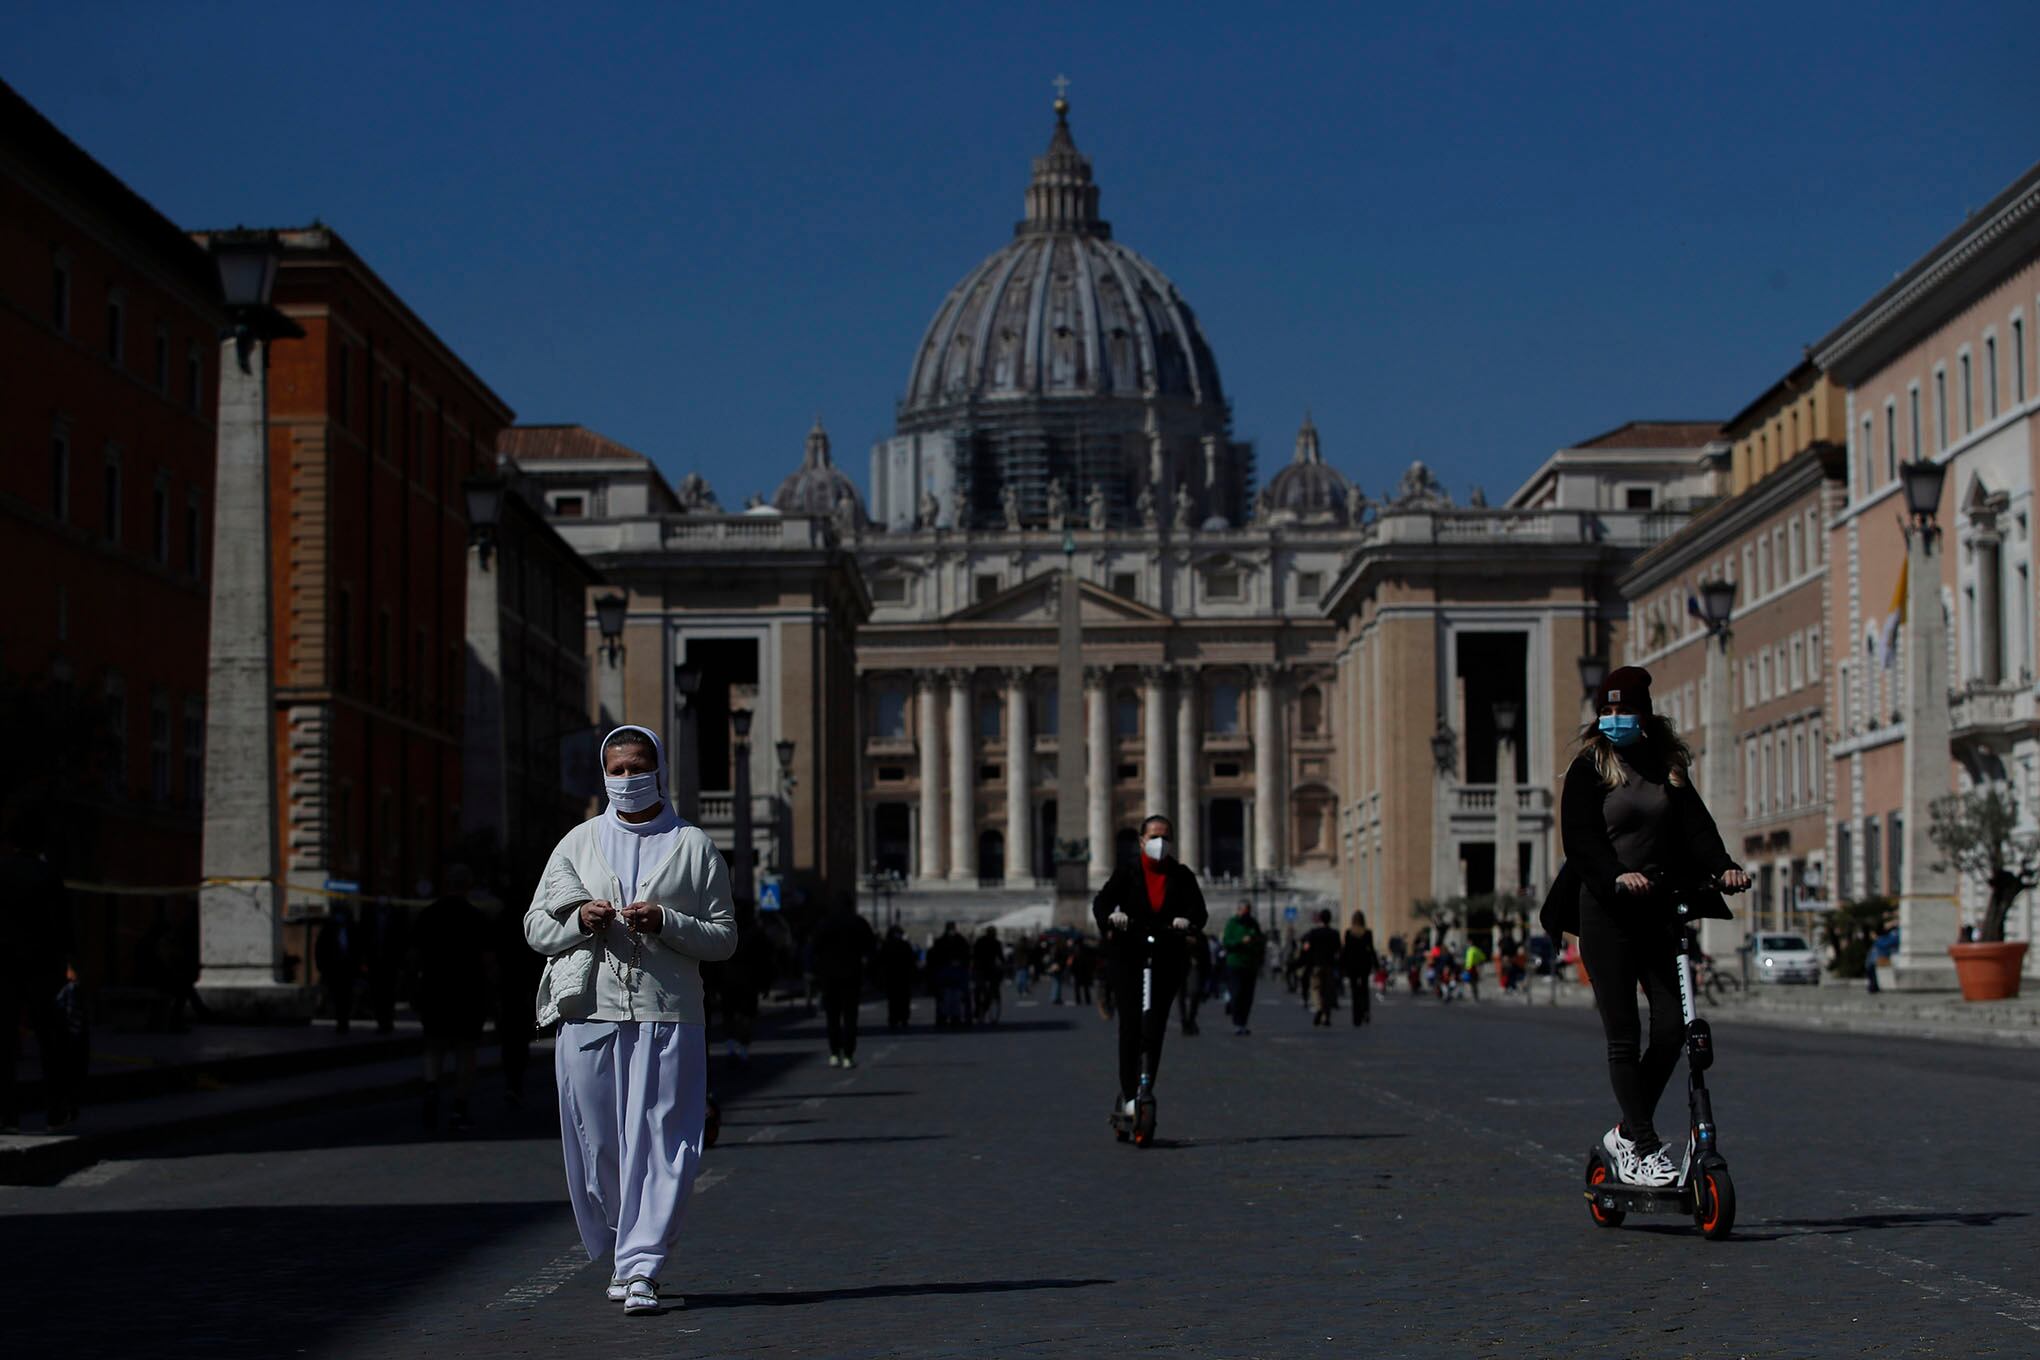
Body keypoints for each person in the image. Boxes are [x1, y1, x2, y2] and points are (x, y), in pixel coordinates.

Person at [525, 723, 736, 1316]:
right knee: (599, 1144)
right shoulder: (577, 842)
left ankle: (641, 1265)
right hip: (590, 1013)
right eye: (616, 769)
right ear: (604, 774)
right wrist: (581, 920)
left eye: (637, 766)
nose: (627, 778)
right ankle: (623, 1241)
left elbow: (724, 938)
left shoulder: (693, 845)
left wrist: (666, 922)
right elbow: (536, 927)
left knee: (664, 1141)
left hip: (667, 1014)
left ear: (658, 769)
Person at [1542, 666, 1747, 1190]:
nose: (1613, 720)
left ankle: (1627, 1135)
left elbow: (1695, 826)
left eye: (1623, 711)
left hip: (1657, 908)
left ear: (1645, 714)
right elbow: (1581, 840)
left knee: (1675, 1029)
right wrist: (1616, 875)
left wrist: (1722, 866)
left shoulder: (1667, 767)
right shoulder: (1589, 767)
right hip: (1605, 911)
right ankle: (1644, 1147)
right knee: (1623, 1036)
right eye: (1605, 712)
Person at [1093, 815, 1208, 1121]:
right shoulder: (1127, 873)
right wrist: (1111, 918)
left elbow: (1199, 911)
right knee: (1130, 1024)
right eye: (1155, 837)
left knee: (1154, 1027)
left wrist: (1189, 922)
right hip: (1128, 955)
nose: (1161, 842)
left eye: (1166, 837)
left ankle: (1146, 1087)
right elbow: (1102, 903)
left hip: (1166, 956)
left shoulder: (1182, 875)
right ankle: (1129, 1093)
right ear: (1142, 841)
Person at [0, 815, 76, 1133]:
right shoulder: (48, 876)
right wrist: (68, 964)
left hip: (3, 966)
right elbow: (62, 925)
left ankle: (6, 1116)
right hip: (42, 968)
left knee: (4, 1043)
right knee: (50, 1040)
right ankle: (56, 1111)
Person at [414, 865, 491, 1133]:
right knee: (465, 1050)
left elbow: (414, 956)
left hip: (434, 989)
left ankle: (431, 1086)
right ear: (467, 886)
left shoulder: (427, 915)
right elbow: (486, 959)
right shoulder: (476, 917)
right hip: (467, 991)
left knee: (433, 1046)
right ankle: (459, 1106)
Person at [811, 893, 876, 1066]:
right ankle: (848, 1054)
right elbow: (871, 948)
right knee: (850, 1016)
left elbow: (814, 949)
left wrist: (816, 972)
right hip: (851, 975)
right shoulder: (858, 923)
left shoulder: (824, 924)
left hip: (829, 976)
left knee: (832, 1016)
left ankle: (834, 1052)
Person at [1219, 900, 1265, 1035]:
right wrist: (1240, 942)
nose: (1246, 915)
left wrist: (1256, 942)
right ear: (1238, 911)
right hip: (1235, 964)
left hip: (1250, 964)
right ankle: (1237, 1022)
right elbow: (1227, 942)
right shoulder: (1232, 923)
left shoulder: (1253, 924)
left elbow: (1260, 940)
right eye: (1244, 912)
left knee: (1248, 996)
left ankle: (1243, 1023)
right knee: (1237, 993)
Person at [1300, 910, 1342, 1026]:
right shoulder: (1334, 933)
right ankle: (1326, 1017)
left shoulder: (1314, 932)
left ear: (1320, 919)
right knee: (1327, 991)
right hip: (1329, 965)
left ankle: (1318, 1007)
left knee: (1316, 989)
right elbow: (1338, 950)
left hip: (1316, 965)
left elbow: (1306, 946)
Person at [875, 924, 918, 1030]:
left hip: (896, 976)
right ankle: (901, 1018)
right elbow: (912, 960)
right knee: (901, 999)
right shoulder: (902, 945)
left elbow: (880, 961)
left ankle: (897, 1018)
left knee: (896, 999)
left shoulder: (890, 945)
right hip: (899, 976)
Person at [1340, 911, 1378, 1027]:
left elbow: (1345, 951)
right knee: (1364, 990)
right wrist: (1376, 964)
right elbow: (1371, 949)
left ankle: (1356, 1017)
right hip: (1364, 965)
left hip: (1352, 966)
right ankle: (1365, 1011)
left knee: (1355, 992)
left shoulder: (1348, 933)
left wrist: (1342, 966)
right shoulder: (1367, 933)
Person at [1178, 924, 1211, 1036]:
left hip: (1194, 967)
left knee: (1194, 993)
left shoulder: (1199, 935)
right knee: (1181, 996)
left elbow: (1206, 954)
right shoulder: (1178, 932)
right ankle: (1184, 1021)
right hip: (1180, 966)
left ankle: (1191, 1019)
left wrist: (1195, 943)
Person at [971, 926, 1005, 1023]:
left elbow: (1000, 957)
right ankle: (981, 1008)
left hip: (984, 969)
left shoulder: (982, 941)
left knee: (981, 990)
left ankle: (979, 1009)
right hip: (984, 969)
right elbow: (1001, 957)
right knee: (985, 990)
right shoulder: (994, 942)